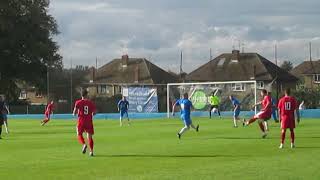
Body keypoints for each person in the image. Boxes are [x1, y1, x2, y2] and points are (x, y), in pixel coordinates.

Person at [73, 90, 97, 156]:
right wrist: (91, 114)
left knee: (79, 133)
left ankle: (84, 144)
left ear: (81, 95)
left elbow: (74, 113)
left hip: (81, 121)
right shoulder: (90, 103)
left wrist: (75, 113)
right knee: (89, 137)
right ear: (86, 95)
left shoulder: (78, 102)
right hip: (89, 121)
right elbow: (94, 113)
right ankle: (91, 151)